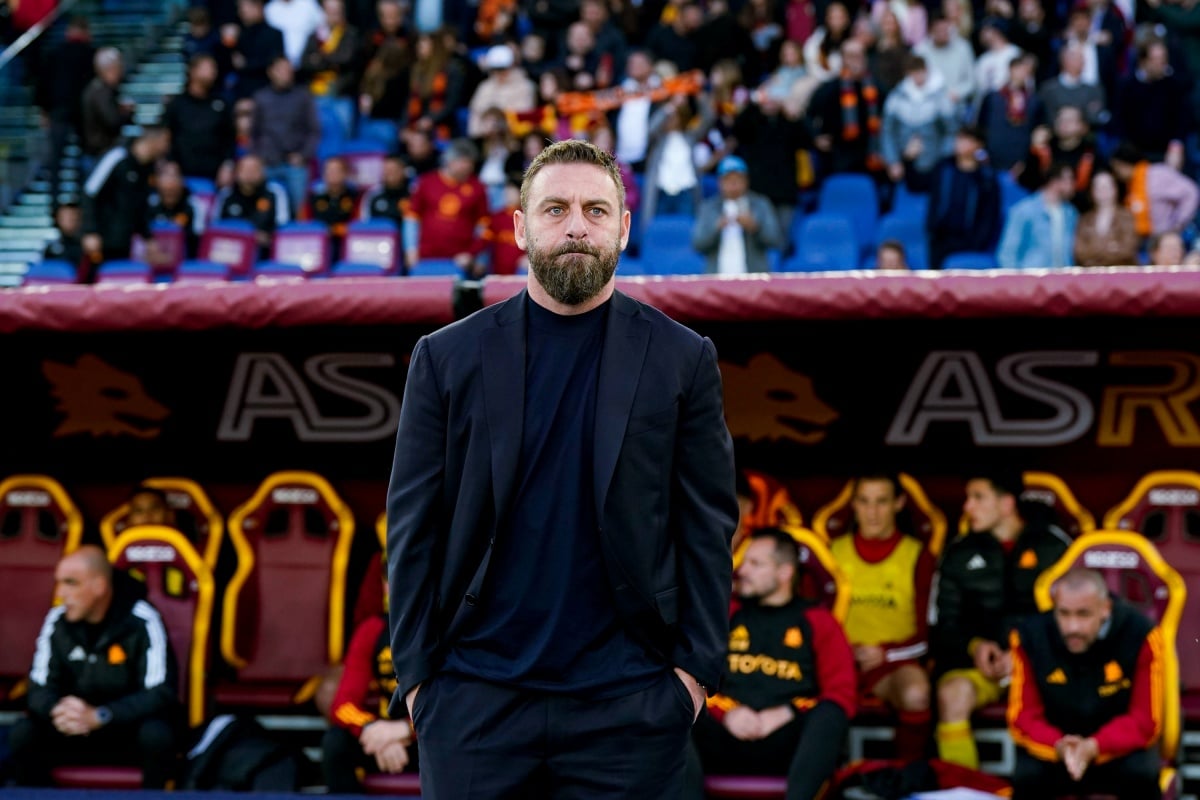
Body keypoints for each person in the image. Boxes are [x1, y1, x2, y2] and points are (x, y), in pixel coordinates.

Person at [386, 138, 738, 798]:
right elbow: (412, 528)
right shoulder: (445, 358)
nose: (577, 225)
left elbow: (707, 526)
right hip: (473, 704)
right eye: (556, 209)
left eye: (595, 210)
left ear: (623, 228)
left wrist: (693, 676)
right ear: (520, 228)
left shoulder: (682, 358)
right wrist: (419, 682)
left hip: (631, 706)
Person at [684, 528, 857, 800]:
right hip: (724, 735)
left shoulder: (820, 621)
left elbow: (841, 694)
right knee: (675, 705)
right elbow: (693, 676)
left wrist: (788, 712)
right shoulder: (726, 614)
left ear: (785, 572)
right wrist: (726, 713)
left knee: (831, 715)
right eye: (744, 562)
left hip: (789, 743)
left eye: (755, 564)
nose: (742, 570)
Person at [8, 546, 182, 788]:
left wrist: (102, 715)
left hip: (123, 731)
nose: (60, 593)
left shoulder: (142, 619)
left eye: (71, 583)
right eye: (59, 583)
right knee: (22, 733)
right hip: (71, 730)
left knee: (157, 735)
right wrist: (58, 710)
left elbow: (160, 692)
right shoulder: (57, 619)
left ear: (99, 586)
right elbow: (38, 686)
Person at [932, 469, 1071, 769]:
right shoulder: (958, 552)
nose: (968, 507)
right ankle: (963, 786)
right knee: (952, 694)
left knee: (1076, 693)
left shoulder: (1054, 546)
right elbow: (943, 624)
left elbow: (1073, 621)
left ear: (1007, 504)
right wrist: (975, 647)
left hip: (1042, 664)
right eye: (968, 498)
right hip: (982, 668)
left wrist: (1026, 653)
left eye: (978, 497)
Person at [1008, 569, 1164, 800]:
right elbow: (1023, 717)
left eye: (1083, 614)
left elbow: (1146, 721)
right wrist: (1060, 746)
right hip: (1058, 749)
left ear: (1105, 609)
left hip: (1114, 750)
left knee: (1143, 772)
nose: (1073, 627)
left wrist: (1094, 746)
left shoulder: (1142, 634)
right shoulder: (1029, 636)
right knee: (1026, 775)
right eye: (1063, 613)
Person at [830, 474, 935, 761]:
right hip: (838, 662)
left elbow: (929, 635)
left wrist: (885, 653)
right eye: (864, 501)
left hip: (893, 664)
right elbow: (814, 620)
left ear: (898, 503)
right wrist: (841, 651)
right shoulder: (832, 552)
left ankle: (905, 774)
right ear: (853, 504)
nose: (872, 512)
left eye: (881, 502)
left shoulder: (919, 556)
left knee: (916, 693)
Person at [323, 559, 415, 792]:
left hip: (435, 737)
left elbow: (461, 705)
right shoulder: (372, 630)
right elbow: (342, 705)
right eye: (391, 578)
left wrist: (408, 730)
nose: (399, 585)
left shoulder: (448, 629)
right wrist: (372, 729)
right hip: (383, 736)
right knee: (336, 741)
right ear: (384, 585)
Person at [81, 125, 172, 279]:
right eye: (166, 141)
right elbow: (89, 192)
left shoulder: (148, 169)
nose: (167, 147)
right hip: (100, 239)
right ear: (153, 140)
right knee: (92, 284)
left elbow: (140, 208)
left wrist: (148, 238)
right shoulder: (117, 157)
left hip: (123, 241)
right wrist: (90, 231)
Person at [403, 139, 489, 272]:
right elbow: (411, 218)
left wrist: (475, 255)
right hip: (425, 257)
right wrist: (410, 249)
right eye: (463, 162)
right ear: (450, 161)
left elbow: (484, 226)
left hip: (459, 261)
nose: (468, 167)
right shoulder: (426, 182)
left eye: (470, 163)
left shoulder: (478, 188)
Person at [253, 55, 321, 219]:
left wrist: (303, 155)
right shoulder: (261, 97)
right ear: (271, 72)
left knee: (300, 211)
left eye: (288, 70)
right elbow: (254, 132)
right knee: (260, 207)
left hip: (295, 163)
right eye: (281, 69)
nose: (286, 73)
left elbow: (314, 131)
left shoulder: (303, 97)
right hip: (267, 162)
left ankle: (297, 230)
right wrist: (258, 158)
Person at [691, 155, 785, 274]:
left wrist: (755, 227)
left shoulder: (760, 204)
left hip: (753, 278)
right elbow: (698, 244)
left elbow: (776, 240)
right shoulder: (709, 207)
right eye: (728, 180)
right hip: (717, 277)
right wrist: (717, 227)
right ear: (720, 182)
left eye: (738, 179)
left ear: (746, 181)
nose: (733, 184)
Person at [926, 125, 1003, 269]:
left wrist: (978, 242)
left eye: (967, 140)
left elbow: (990, 215)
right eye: (959, 139)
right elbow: (927, 193)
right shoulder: (943, 168)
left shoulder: (987, 178)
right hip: (940, 239)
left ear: (978, 144)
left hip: (970, 242)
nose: (960, 143)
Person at [882, 55, 956, 194]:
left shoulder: (941, 96)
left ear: (927, 71)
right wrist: (893, 161)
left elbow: (951, 131)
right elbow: (888, 132)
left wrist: (943, 159)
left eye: (920, 71)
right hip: (904, 162)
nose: (918, 76)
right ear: (908, 73)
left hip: (935, 164)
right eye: (913, 72)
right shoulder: (896, 96)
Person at [164, 53, 235, 181]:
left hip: (215, 175)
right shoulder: (177, 104)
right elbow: (166, 136)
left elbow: (229, 138)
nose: (213, 72)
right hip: (182, 175)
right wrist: (170, 162)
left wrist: (227, 165)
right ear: (192, 71)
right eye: (207, 67)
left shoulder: (221, 104)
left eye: (214, 68)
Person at [997, 161, 1078, 269]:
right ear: (1054, 181)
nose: (1073, 184)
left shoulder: (1070, 213)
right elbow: (1008, 253)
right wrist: (1018, 278)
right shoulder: (1024, 210)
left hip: (1063, 276)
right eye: (1069, 179)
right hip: (1032, 275)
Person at [1110, 143, 1200, 238]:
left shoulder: (1157, 174)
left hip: (1165, 236)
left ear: (1125, 164)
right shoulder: (1129, 186)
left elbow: (1191, 192)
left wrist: (1179, 223)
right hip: (1143, 238)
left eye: (1117, 168)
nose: (1116, 173)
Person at [214, 153, 290, 257]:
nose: (249, 173)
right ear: (236, 173)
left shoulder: (275, 193)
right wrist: (246, 237)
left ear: (262, 172)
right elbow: (216, 227)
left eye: (254, 169)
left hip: (265, 251)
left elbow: (283, 228)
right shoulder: (226, 195)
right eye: (245, 169)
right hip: (231, 250)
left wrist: (268, 237)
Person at [1073, 170, 1138, 267]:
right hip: (1092, 273)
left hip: (1120, 272)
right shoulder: (1085, 220)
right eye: (1098, 187)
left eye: (1106, 187)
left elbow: (1127, 249)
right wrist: (1110, 247)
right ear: (1092, 191)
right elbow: (1080, 252)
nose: (1103, 191)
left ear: (1115, 189)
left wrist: (1094, 251)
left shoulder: (1127, 217)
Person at [81, 47, 134, 163]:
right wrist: (126, 113)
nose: (121, 71)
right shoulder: (101, 91)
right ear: (109, 69)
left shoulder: (101, 89)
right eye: (119, 67)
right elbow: (112, 121)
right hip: (100, 153)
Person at [305, 156, 361, 258]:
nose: (332, 174)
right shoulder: (314, 197)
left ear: (345, 174)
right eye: (329, 170)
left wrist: (338, 230)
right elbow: (305, 223)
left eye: (336, 170)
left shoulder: (354, 196)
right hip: (317, 243)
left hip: (346, 242)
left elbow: (359, 223)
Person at [43, 201, 85, 274]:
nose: (70, 219)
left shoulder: (87, 246)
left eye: (73, 215)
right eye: (65, 216)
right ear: (57, 218)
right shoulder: (51, 245)